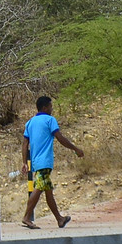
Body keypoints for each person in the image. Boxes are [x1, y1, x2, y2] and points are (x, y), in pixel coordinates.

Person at [20, 95, 83, 230]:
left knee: (48, 191)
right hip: (45, 162)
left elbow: (25, 143)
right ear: (45, 108)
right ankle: (27, 217)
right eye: (50, 107)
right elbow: (60, 138)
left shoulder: (30, 122)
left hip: (36, 161)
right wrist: (75, 149)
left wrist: (24, 162)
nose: (52, 109)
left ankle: (59, 219)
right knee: (39, 188)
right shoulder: (50, 120)